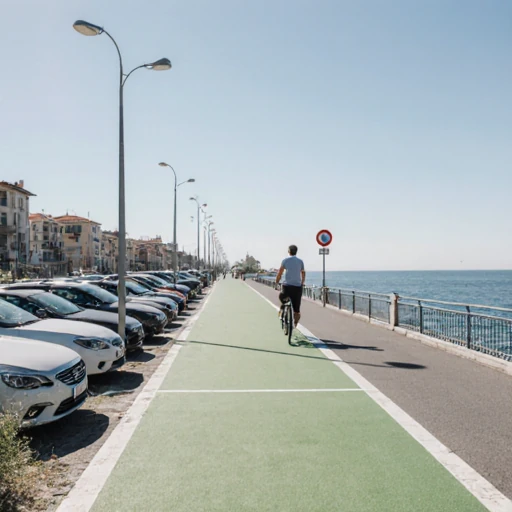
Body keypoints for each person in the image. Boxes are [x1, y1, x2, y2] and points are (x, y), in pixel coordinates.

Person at [275, 245, 305, 326]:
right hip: (297, 287)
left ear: (289, 251)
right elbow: (303, 272)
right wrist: (302, 282)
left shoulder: (285, 260)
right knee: (297, 309)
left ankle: (282, 308)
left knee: (282, 297)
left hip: (287, 287)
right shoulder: (300, 261)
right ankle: (295, 323)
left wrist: (277, 282)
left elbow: (280, 273)